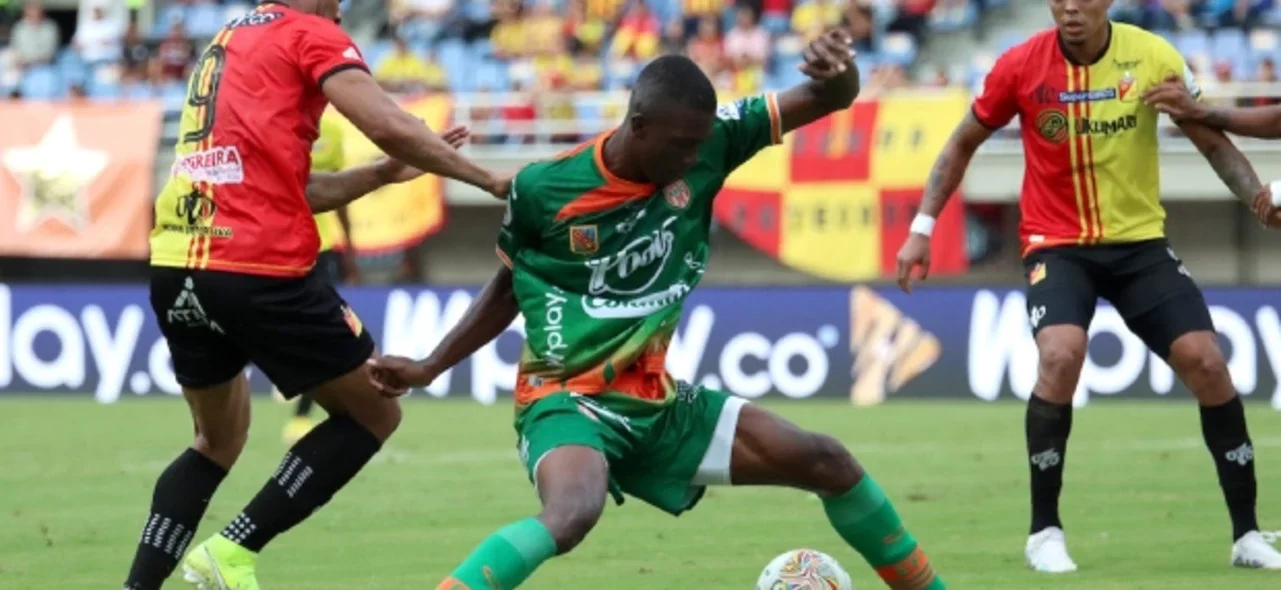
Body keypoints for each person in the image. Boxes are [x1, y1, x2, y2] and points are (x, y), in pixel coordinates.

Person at [368, 35, 947, 590]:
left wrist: (837, 69)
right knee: (574, 510)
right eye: (682, 145)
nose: (696, 157)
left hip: (656, 403)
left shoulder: (710, 143)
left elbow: (831, 97)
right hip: (566, 398)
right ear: (638, 128)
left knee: (828, 460)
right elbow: (505, 288)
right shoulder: (545, 190)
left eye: (701, 144)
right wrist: (431, 366)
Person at [122, 0, 507, 588]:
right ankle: (231, 549)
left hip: (178, 262)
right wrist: (488, 179)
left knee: (216, 440)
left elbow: (293, 188)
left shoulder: (230, 39)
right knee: (374, 409)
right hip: (257, 266)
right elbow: (385, 122)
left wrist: (379, 175)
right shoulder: (309, 33)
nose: (345, 12)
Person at [893, 0, 1281, 575]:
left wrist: (1255, 195)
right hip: (1057, 246)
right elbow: (960, 143)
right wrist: (922, 228)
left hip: (1139, 244)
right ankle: (1044, 531)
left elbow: (1210, 140)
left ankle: (1247, 533)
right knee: (1061, 353)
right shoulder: (1019, 66)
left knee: (1206, 361)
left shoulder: (1152, 57)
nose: (1071, 7)